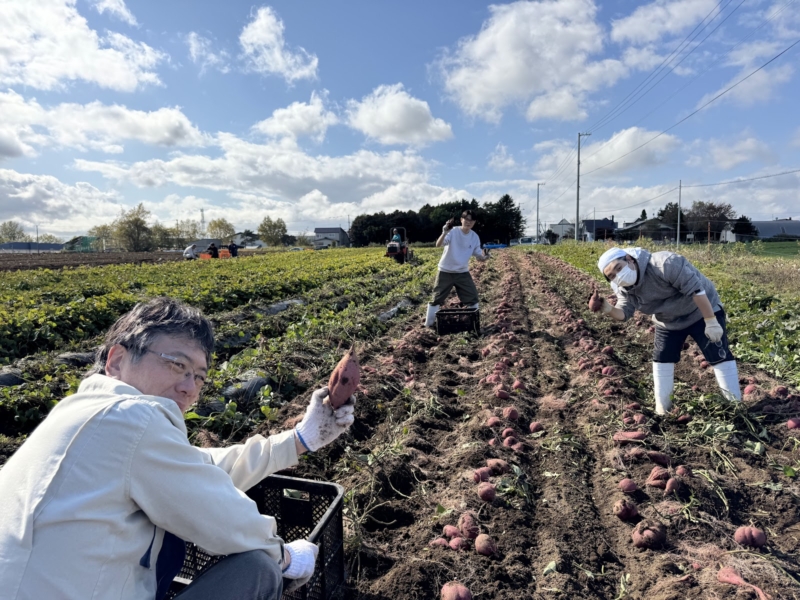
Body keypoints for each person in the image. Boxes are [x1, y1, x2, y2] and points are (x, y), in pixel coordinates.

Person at [0, 297, 355, 600]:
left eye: (199, 376)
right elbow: (221, 516)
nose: (189, 387)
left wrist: (299, 439)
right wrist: (285, 557)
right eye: (177, 365)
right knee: (259, 569)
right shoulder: (131, 418)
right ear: (117, 360)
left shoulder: (89, 415)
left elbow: (202, 469)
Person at [590, 246, 741, 414]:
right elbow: (624, 313)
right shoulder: (621, 287)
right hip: (668, 320)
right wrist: (608, 309)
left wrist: (711, 321)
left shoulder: (664, 264)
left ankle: (735, 405)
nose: (618, 276)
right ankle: (663, 410)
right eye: (612, 275)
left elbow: (697, 291)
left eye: (619, 268)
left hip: (700, 310)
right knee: (662, 358)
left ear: (630, 259)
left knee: (718, 353)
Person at [424, 209, 490, 327]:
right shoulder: (453, 231)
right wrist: (444, 232)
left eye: (472, 220)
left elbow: (478, 256)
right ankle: (428, 325)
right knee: (436, 298)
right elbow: (438, 244)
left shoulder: (474, 237)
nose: (469, 222)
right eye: (466, 219)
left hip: (462, 272)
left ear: (474, 222)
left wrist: (485, 257)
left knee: (473, 298)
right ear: (461, 220)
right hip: (445, 271)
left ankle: (473, 325)